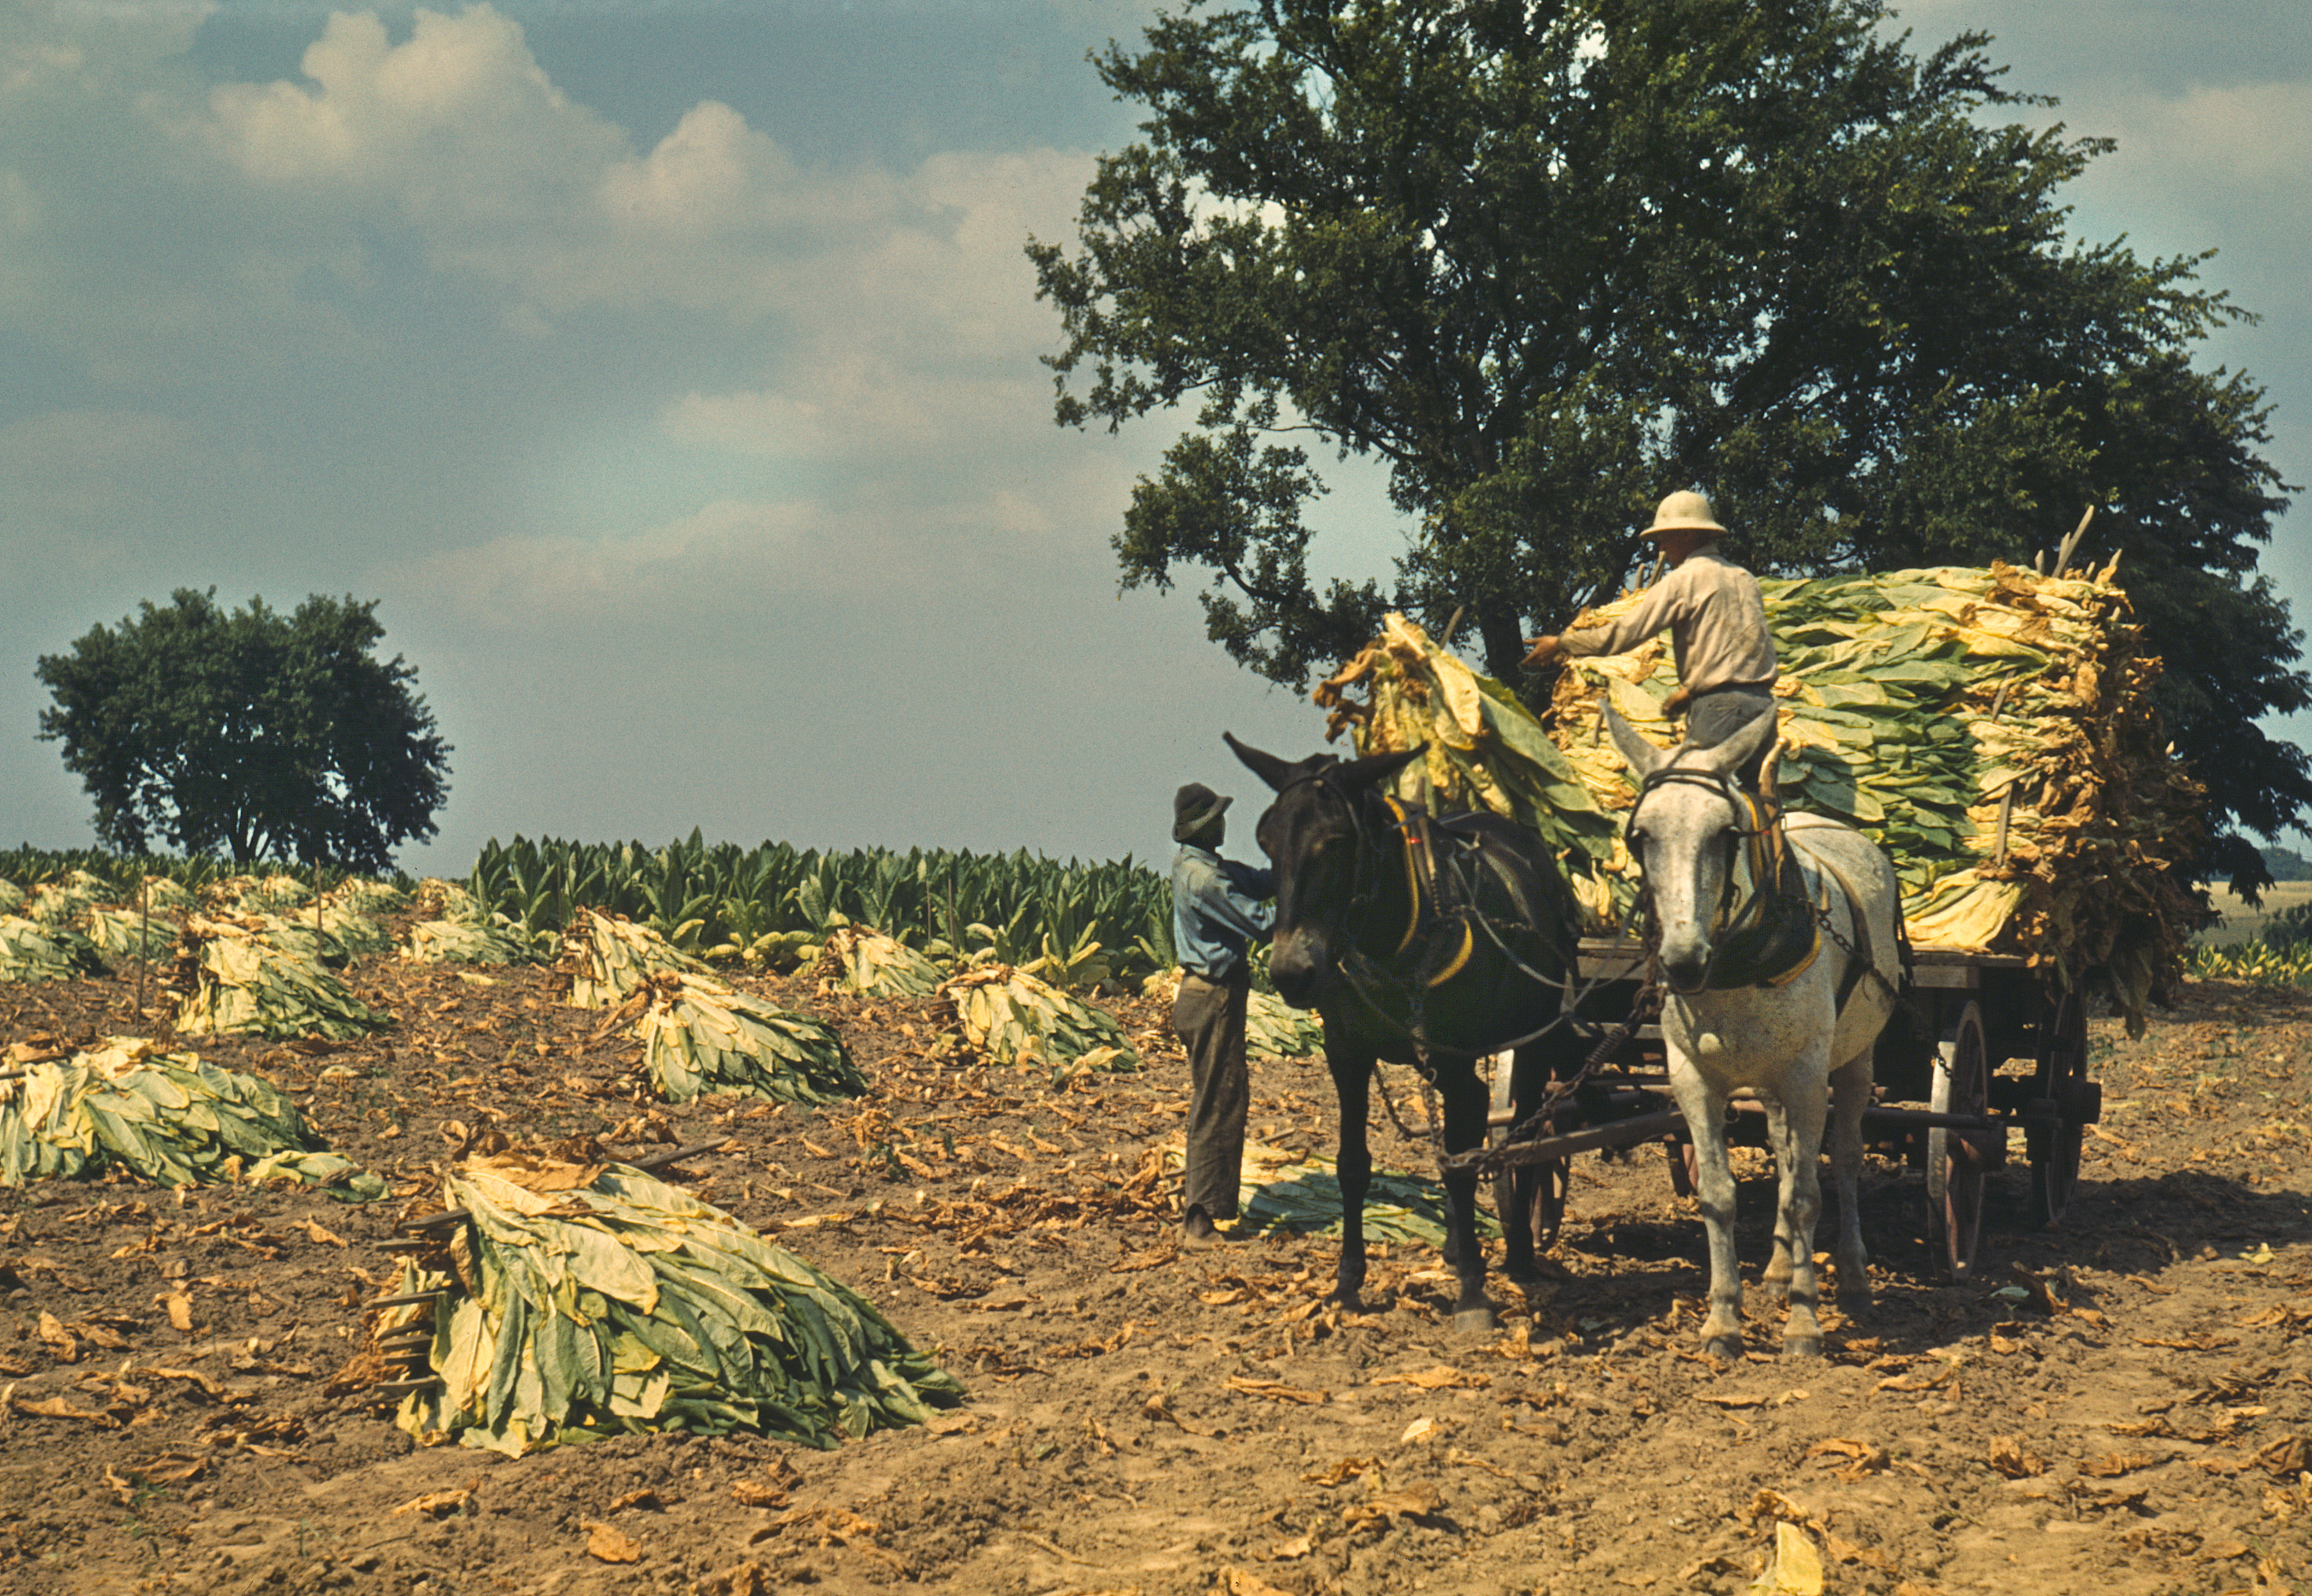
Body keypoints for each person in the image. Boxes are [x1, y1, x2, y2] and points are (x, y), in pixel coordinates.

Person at [1523, 488, 1778, 787]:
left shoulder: (1684, 580)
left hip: (1721, 712)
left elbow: (1626, 634)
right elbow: (1743, 650)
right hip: (1764, 708)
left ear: (1687, 535)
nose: (1662, 548)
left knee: (1688, 798)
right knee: (1757, 807)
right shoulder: (1744, 579)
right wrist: (1691, 691)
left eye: (1665, 538)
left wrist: (1562, 644)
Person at [1168, 781, 1276, 1247]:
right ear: (1208, 825)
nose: (1225, 822)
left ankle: (1211, 1207)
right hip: (1213, 996)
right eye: (1219, 816)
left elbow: (1254, 880)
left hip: (1206, 995)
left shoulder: (1200, 864)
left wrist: (1296, 865)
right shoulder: (1206, 879)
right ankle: (1199, 1218)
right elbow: (1261, 922)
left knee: (1219, 1098)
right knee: (1218, 1102)